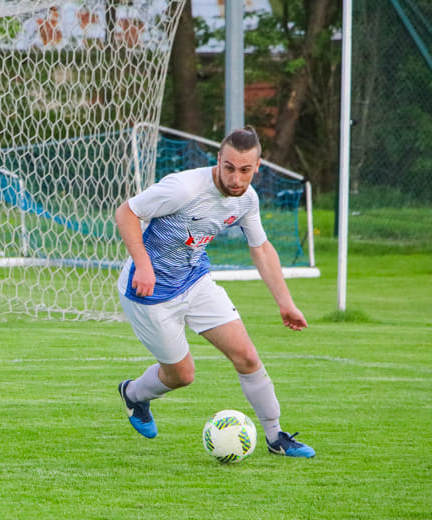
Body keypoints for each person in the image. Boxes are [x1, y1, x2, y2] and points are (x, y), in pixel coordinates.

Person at [115, 126, 315, 458]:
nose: (237, 179)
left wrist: (286, 303)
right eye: (230, 168)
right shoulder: (184, 188)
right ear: (218, 160)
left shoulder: (247, 200)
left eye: (245, 170)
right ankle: (135, 394)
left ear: (257, 167)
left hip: (195, 281)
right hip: (149, 295)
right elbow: (127, 212)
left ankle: (275, 436)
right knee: (181, 375)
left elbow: (261, 248)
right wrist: (144, 265)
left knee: (247, 357)